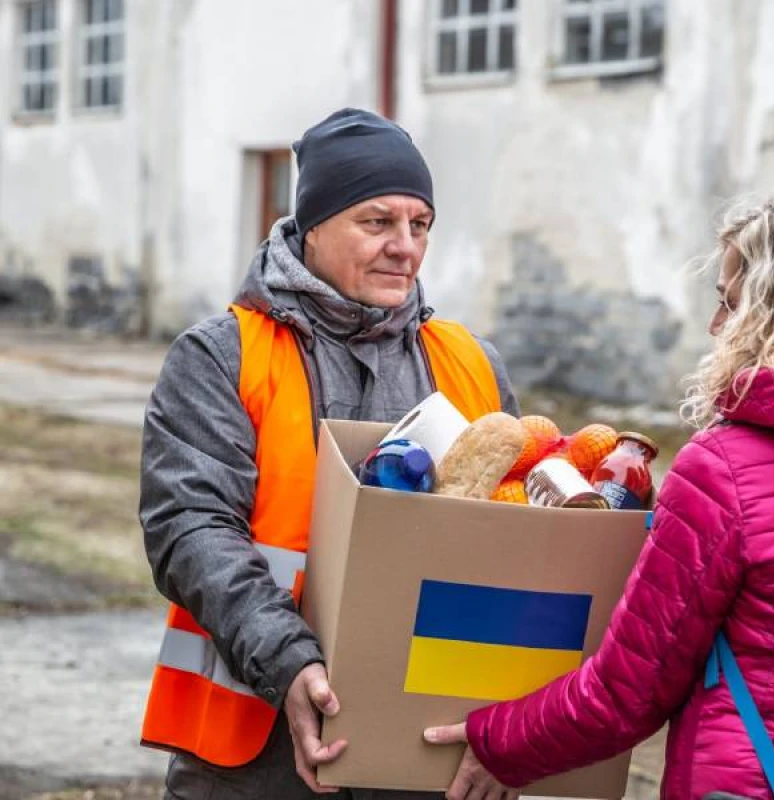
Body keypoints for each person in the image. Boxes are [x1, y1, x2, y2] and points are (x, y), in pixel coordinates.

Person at [425, 195, 774, 798]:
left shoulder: (726, 471)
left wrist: (498, 742)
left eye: (729, 301)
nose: (716, 326)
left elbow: (626, 694)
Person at [138, 108, 519, 800]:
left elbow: (519, 550)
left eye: (420, 224)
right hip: (257, 754)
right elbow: (190, 529)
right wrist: (288, 663)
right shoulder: (223, 356)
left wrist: (515, 723)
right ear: (310, 227)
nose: (405, 246)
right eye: (377, 222)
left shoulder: (473, 367)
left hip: (427, 752)